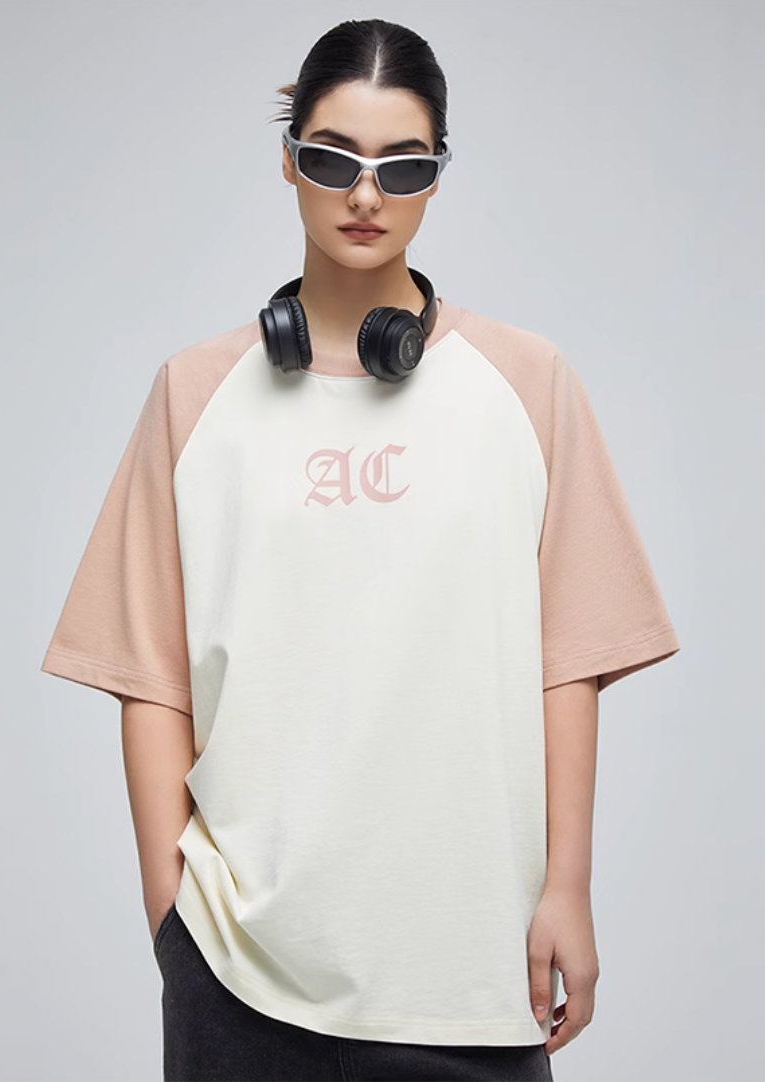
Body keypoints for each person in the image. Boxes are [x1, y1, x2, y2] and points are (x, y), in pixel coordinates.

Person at [40, 17, 680, 1082]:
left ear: (438, 174)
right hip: (236, 964)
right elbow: (147, 673)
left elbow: (570, 656)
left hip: (472, 964)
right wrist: (173, 917)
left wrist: (568, 884)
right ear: (289, 161)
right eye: (334, 159)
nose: (366, 194)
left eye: (404, 165)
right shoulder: (194, 393)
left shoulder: (528, 384)